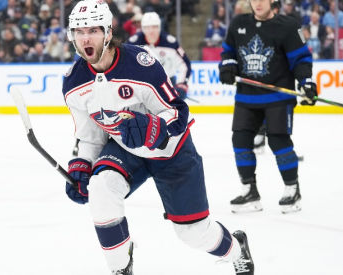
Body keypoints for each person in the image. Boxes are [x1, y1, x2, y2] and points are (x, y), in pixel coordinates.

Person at [63, 1, 254, 274]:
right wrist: (82, 163)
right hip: (126, 150)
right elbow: (91, 135)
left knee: (193, 234)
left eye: (92, 30)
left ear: (107, 32)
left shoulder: (140, 64)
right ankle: (120, 266)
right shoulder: (73, 83)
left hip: (172, 152)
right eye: (79, 31)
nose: (85, 38)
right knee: (100, 189)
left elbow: (177, 112)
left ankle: (238, 248)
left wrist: (154, 128)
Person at [219, 0, 318, 214]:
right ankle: (250, 191)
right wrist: (227, 66)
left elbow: (301, 59)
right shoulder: (238, 23)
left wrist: (306, 82)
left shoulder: (288, 26)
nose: (258, 3)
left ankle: (292, 189)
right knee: (240, 139)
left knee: (278, 140)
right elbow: (228, 52)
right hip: (247, 97)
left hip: (278, 97)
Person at [128, 12, 191, 101]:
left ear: (159, 27)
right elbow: (126, 65)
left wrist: (181, 84)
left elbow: (184, 65)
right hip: (142, 85)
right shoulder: (133, 43)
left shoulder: (170, 43)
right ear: (142, 28)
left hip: (168, 83)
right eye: (147, 28)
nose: (151, 31)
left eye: (154, 27)